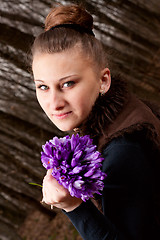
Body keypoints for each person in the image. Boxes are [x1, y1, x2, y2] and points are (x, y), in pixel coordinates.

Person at [31, 4, 160, 240]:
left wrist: (74, 207)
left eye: (68, 83)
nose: (54, 102)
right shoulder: (126, 114)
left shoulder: (122, 149)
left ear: (103, 80)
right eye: (43, 87)